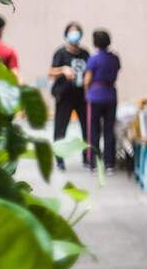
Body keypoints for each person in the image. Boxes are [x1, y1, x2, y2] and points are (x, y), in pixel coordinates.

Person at [49, 23, 90, 171]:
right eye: (72, 32)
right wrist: (63, 70)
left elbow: (90, 72)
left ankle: (87, 158)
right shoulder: (60, 53)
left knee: (87, 128)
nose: (74, 34)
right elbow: (50, 72)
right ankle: (60, 160)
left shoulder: (85, 53)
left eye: (77, 32)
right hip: (64, 96)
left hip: (82, 97)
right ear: (66, 35)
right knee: (60, 129)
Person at [83, 29, 121, 173]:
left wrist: (87, 93)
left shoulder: (93, 59)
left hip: (95, 96)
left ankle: (94, 162)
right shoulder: (115, 58)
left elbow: (87, 80)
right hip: (111, 96)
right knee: (109, 130)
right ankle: (110, 163)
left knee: (94, 130)